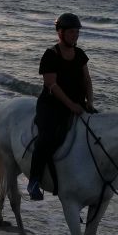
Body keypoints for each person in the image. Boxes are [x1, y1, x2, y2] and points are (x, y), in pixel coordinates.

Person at [27, 12, 95, 201]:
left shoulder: (80, 54)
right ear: (60, 33)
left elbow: (87, 80)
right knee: (47, 137)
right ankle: (34, 180)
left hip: (78, 104)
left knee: (97, 133)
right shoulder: (51, 54)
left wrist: (90, 102)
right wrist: (71, 105)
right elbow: (52, 85)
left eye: (77, 32)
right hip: (52, 105)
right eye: (72, 32)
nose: (75, 35)